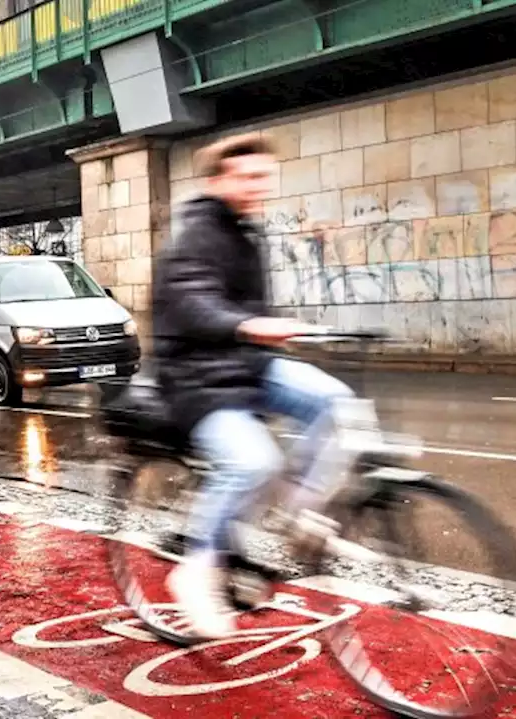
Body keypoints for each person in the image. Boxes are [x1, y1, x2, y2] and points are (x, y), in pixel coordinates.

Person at [150, 132, 383, 638]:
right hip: (199, 380)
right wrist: (249, 326)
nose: (261, 185)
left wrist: (290, 330)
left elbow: (246, 308)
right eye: (249, 176)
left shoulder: (244, 234)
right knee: (254, 461)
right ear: (217, 181)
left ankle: (301, 516)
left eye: (265, 176)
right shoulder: (195, 237)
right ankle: (196, 569)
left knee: (337, 403)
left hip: (248, 365)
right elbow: (195, 304)